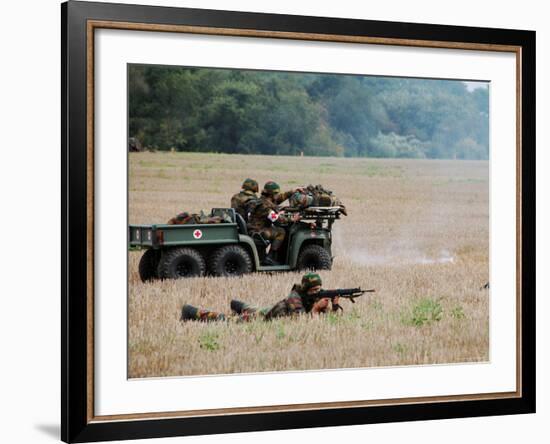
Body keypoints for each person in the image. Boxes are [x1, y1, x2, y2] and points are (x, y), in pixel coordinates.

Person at [180, 272, 339, 322]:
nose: (318, 292)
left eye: (319, 289)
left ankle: (238, 305)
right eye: (315, 289)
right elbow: (300, 321)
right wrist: (317, 310)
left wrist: (335, 305)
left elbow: (329, 318)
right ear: (306, 289)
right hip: (265, 318)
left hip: (270, 309)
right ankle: (190, 311)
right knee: (227, 320)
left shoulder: (313, 296)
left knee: (253, 307)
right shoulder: (295, 297)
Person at [247, 181, 302, 265]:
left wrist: (292, 191)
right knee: (281, 232)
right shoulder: (265, 205)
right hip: (257, 232)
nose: (277, 195)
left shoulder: (263, 200)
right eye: (276, 194)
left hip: (255, 228)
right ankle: (270, 258)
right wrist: (292, 219)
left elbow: (280, 198)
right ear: (271, 194)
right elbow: (276, 220)